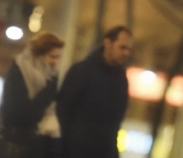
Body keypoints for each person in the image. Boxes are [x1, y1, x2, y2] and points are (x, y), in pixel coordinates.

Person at [56, 26, 133, 158]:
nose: (126, 53)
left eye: (129, 49)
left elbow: (115, 124)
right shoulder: (82, 71)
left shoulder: (121, 80)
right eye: (122, 47)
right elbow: (62, 112)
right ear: (107, 43)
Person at [0, 32, 65, 158]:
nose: (55, 62)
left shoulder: (52, 78)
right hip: (12, 144)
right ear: (39, 54)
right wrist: (46, 96)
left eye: (58, 57)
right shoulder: (20, 70)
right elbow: (20, 113)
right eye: (52, 56)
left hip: (34, 147)